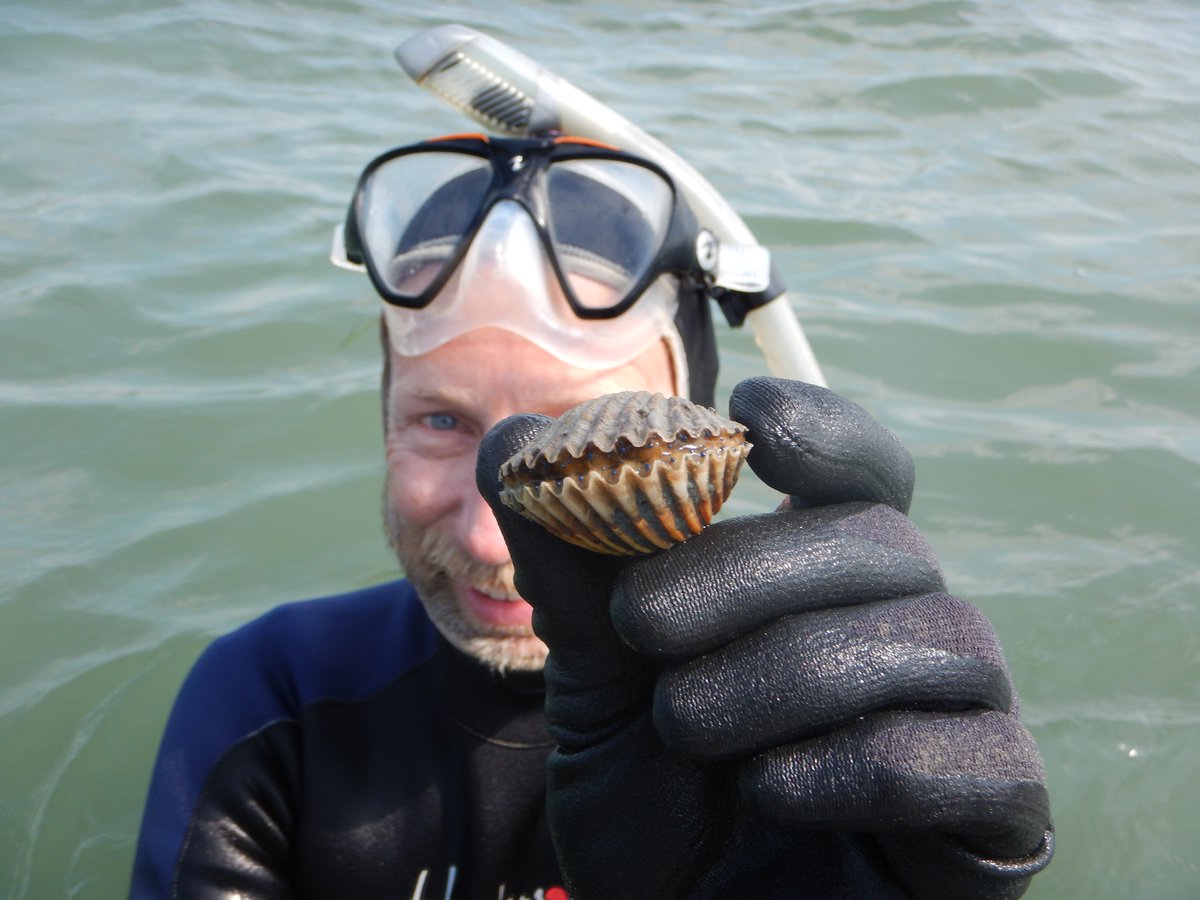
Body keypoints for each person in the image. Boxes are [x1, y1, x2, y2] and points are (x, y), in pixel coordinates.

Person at [131, 132, 1053, 898]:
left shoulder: (823, 728)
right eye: (440, 420)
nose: (497, 539)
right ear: (381, 420)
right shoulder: (272, 704)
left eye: (588, 436)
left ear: (699, 412)